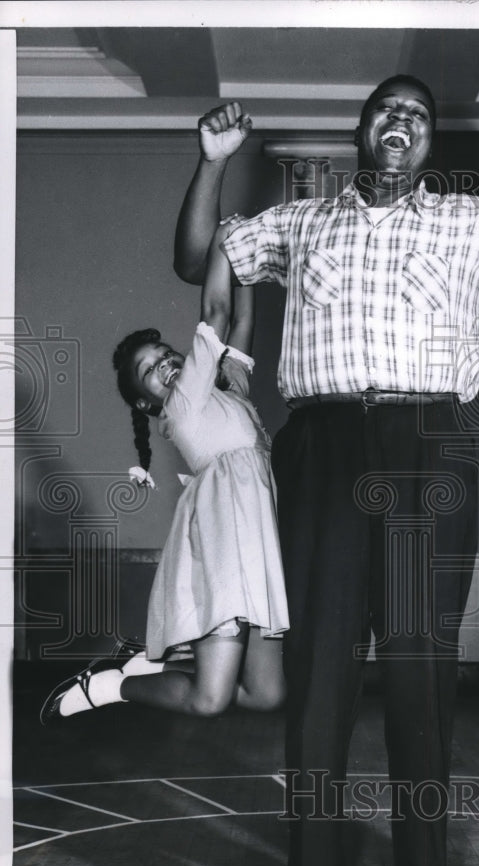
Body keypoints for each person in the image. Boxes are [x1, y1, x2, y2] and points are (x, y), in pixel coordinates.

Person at [173, 77, 479, 866]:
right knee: (319, 681)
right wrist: (211, 166)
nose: (401, 121)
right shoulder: (301, 220)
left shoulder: (470, 220)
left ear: (431, 141)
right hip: (325, 447)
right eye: (386, 110)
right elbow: (196, 264)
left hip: (427, 449)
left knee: (422, 681)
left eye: (419, 113)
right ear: (362, 128)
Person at [41, 218, 288, 723]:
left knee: (267, 695)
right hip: (224, 549)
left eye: (167, 354)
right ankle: (109, 686)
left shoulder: (225, 391)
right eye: (151, 370)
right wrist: (222, 241)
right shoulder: (182, 406)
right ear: (148, 403)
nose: (167, 364)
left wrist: (241, 259)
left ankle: (148, 666)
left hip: (256, 547)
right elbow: (217, 311)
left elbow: (240, 325)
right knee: (209, 700)